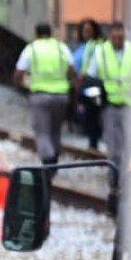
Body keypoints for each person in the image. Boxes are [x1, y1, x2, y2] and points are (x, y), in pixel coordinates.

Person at [84, 20, 131, 193]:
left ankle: (128, 181)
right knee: (114, 147)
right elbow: (91, 77)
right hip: (110, 106)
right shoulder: (101, 52)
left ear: (125, 35)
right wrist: (96, 100)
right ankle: (115, 180)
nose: (118, 40)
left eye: (121, 37)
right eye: (115, 37)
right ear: (110, 36)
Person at [13, 22, 78, 167]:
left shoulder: (32, 48)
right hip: (61, 97)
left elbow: (19, 73)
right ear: (51, 34)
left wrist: (20, 84)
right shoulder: (61, 47)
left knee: (42, 132)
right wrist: (76, 91)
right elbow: (73, 70)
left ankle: (48, 164)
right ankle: (54, 161)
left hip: (40, 96)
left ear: (36, 34)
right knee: (55, 130)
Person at [70, 17, 105, 147]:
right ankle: (92, 141)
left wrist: (81, 78)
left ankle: (94, 141)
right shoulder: (85, 46)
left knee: (93, 113)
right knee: (90, 113)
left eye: (89, 30)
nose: (86, 33)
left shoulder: (96, 46)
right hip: (84, 85)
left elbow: (89, 68)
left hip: (93, 84)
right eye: (84, 30)